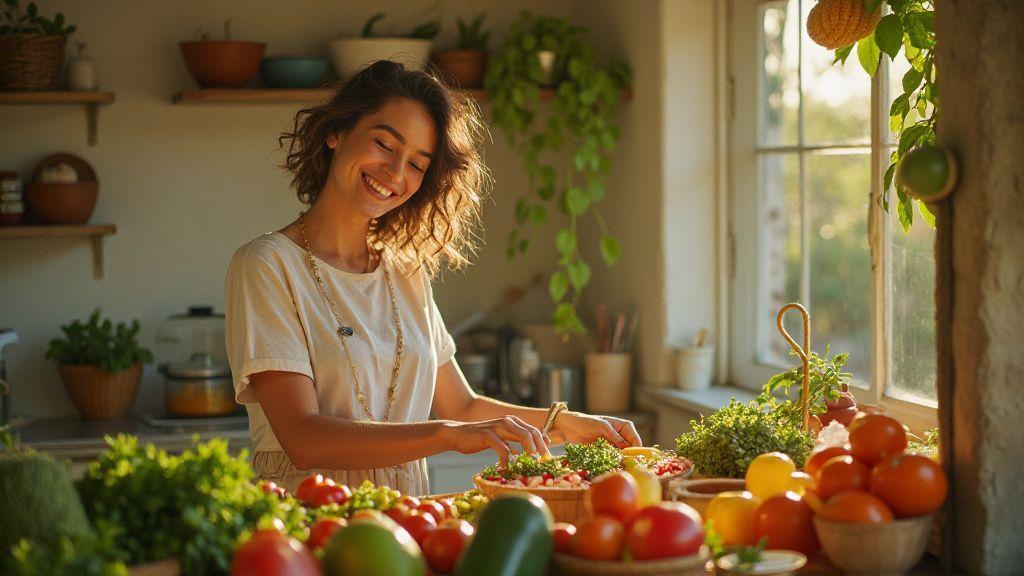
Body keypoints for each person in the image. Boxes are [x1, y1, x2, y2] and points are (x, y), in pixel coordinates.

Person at [225, 61, 641, 496]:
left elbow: (460, 405)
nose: (395, 173)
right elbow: (304, 440)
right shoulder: (267, 265)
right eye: (384, 144)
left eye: (417, 164)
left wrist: (562, 423)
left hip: (408, 523)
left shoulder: (405, 271)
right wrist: (444, 436)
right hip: (308, 528)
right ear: (337, 132)